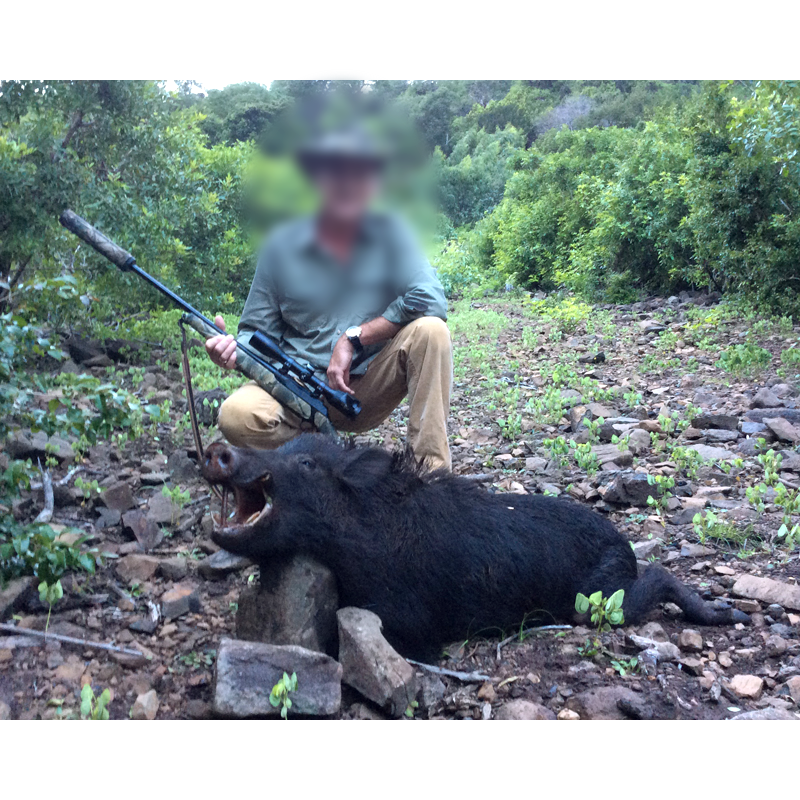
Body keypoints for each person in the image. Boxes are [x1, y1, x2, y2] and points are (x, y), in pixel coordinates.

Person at [205, 129, 453, 470]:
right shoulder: (280, 246)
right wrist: (230, 351)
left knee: (432, 331)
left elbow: (430, 299)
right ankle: (306, 468)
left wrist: (354, 338)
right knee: (235, 416)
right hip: (290, 390)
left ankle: (430, 473)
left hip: (361, 389)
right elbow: (253, 333)